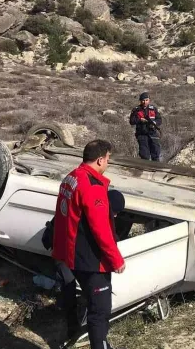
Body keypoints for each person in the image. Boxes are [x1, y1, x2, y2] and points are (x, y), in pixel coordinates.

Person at [51, 140, 125, 349]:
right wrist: (116, 259)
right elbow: (101, 229)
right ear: (100, 159)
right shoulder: (91, 186)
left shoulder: (71, 178)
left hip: (71, 254)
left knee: (92, 307)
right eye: (108, 159)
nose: (108, 163)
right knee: (99, 312)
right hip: (90, 259)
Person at [129, 92, 162, 161]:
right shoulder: (136, 109)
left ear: (149, 100)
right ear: (140, 101)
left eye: (146, 100)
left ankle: (156, 169)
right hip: (142, 134)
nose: (145, 102)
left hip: (153, 133)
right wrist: (140, 120)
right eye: (143, 100)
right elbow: (131, 121)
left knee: (156, 153)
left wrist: (154, 123)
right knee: (144, 155)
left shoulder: (153, 109)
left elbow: (159, 120)